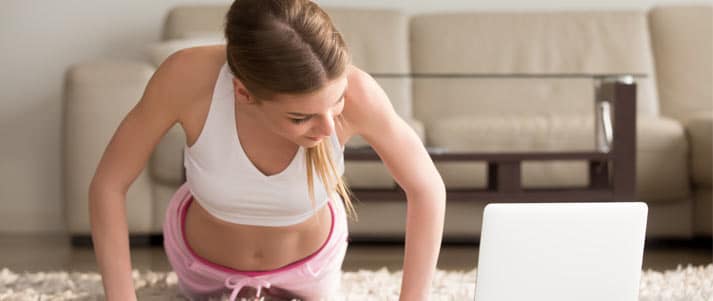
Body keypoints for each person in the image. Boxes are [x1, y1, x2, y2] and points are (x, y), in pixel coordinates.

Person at [88, 0, 446, 300]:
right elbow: (108, 185)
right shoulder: (186, 77)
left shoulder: (361, 92)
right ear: (244, 93)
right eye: (300, 117)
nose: (326, 128)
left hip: (312, 271)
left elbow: (427, 188)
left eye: (335, 104)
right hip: (202, 270)